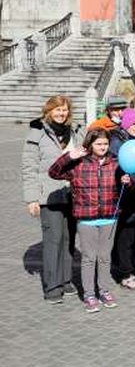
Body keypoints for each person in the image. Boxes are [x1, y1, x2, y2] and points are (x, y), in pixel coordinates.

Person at [49, 129, 133, 313]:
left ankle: (104, 290)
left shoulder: (116, 162)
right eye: (98, 144)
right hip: (86, 217)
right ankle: (89, 294)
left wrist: (129, 180)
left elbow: (130, 181)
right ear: (90, 144)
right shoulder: (78, 163)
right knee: (89, 257)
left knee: (104, 257)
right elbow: (53, 172)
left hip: (110, 217)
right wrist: (69, 156)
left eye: (105, 144)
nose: (103, 147)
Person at [22, 95, 84, 303]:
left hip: (72, 194)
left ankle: (66, 280)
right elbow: (29, 167)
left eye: (64, 110)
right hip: (48, 195)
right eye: (57, 110)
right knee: (53, 239)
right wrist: (31, 199)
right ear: (49, 111)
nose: (61, 113)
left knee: (69, 239)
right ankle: (52, 286)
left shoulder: (75, 131)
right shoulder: (37, 132)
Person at [110, 108, 135, 291]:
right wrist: (123, 177)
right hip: (121, 196)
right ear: (125, 123)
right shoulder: (117, 142)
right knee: (125, 235)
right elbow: (116, 165)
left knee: (132, 234)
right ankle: (125, 273)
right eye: (133, 123)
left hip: (134, 194)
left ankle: (126, 266)